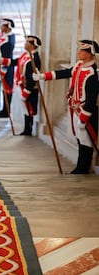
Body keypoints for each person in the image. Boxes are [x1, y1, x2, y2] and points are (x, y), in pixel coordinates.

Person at [33, 39, 99, 174]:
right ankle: (80, 165)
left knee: (86, 140)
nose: (78, 52)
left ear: (89, 53)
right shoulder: (79, 66)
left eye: (82, 51)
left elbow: (91, 100)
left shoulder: (92, 74)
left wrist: (83, 119)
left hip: (85, 112)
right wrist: (43, 76)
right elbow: (65, 73)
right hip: (76, 110)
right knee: (80, 138)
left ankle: (83, 167)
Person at [11, 35, 42, 135]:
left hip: (29, 88)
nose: (25, 44)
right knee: (25, 109)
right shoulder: (26, 55)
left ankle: (29, 129)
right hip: (21, 86)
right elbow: (17, 61)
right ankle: (26, 128)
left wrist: (26, 92)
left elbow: (31, 78)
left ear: (33, 46)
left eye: (27, 42)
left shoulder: (34, 59)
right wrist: (4, 61)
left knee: (29, 109)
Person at [0, 18, 15, 118]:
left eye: (2, 26)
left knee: (7, 89)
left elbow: (6, 57)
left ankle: (6, 111)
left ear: (7, 27)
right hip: (2, 65)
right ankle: (4, 109)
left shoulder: (8, 41)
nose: (0, 28)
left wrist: (2, 70)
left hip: (6, 68)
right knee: (4, 89)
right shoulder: (6, 36)